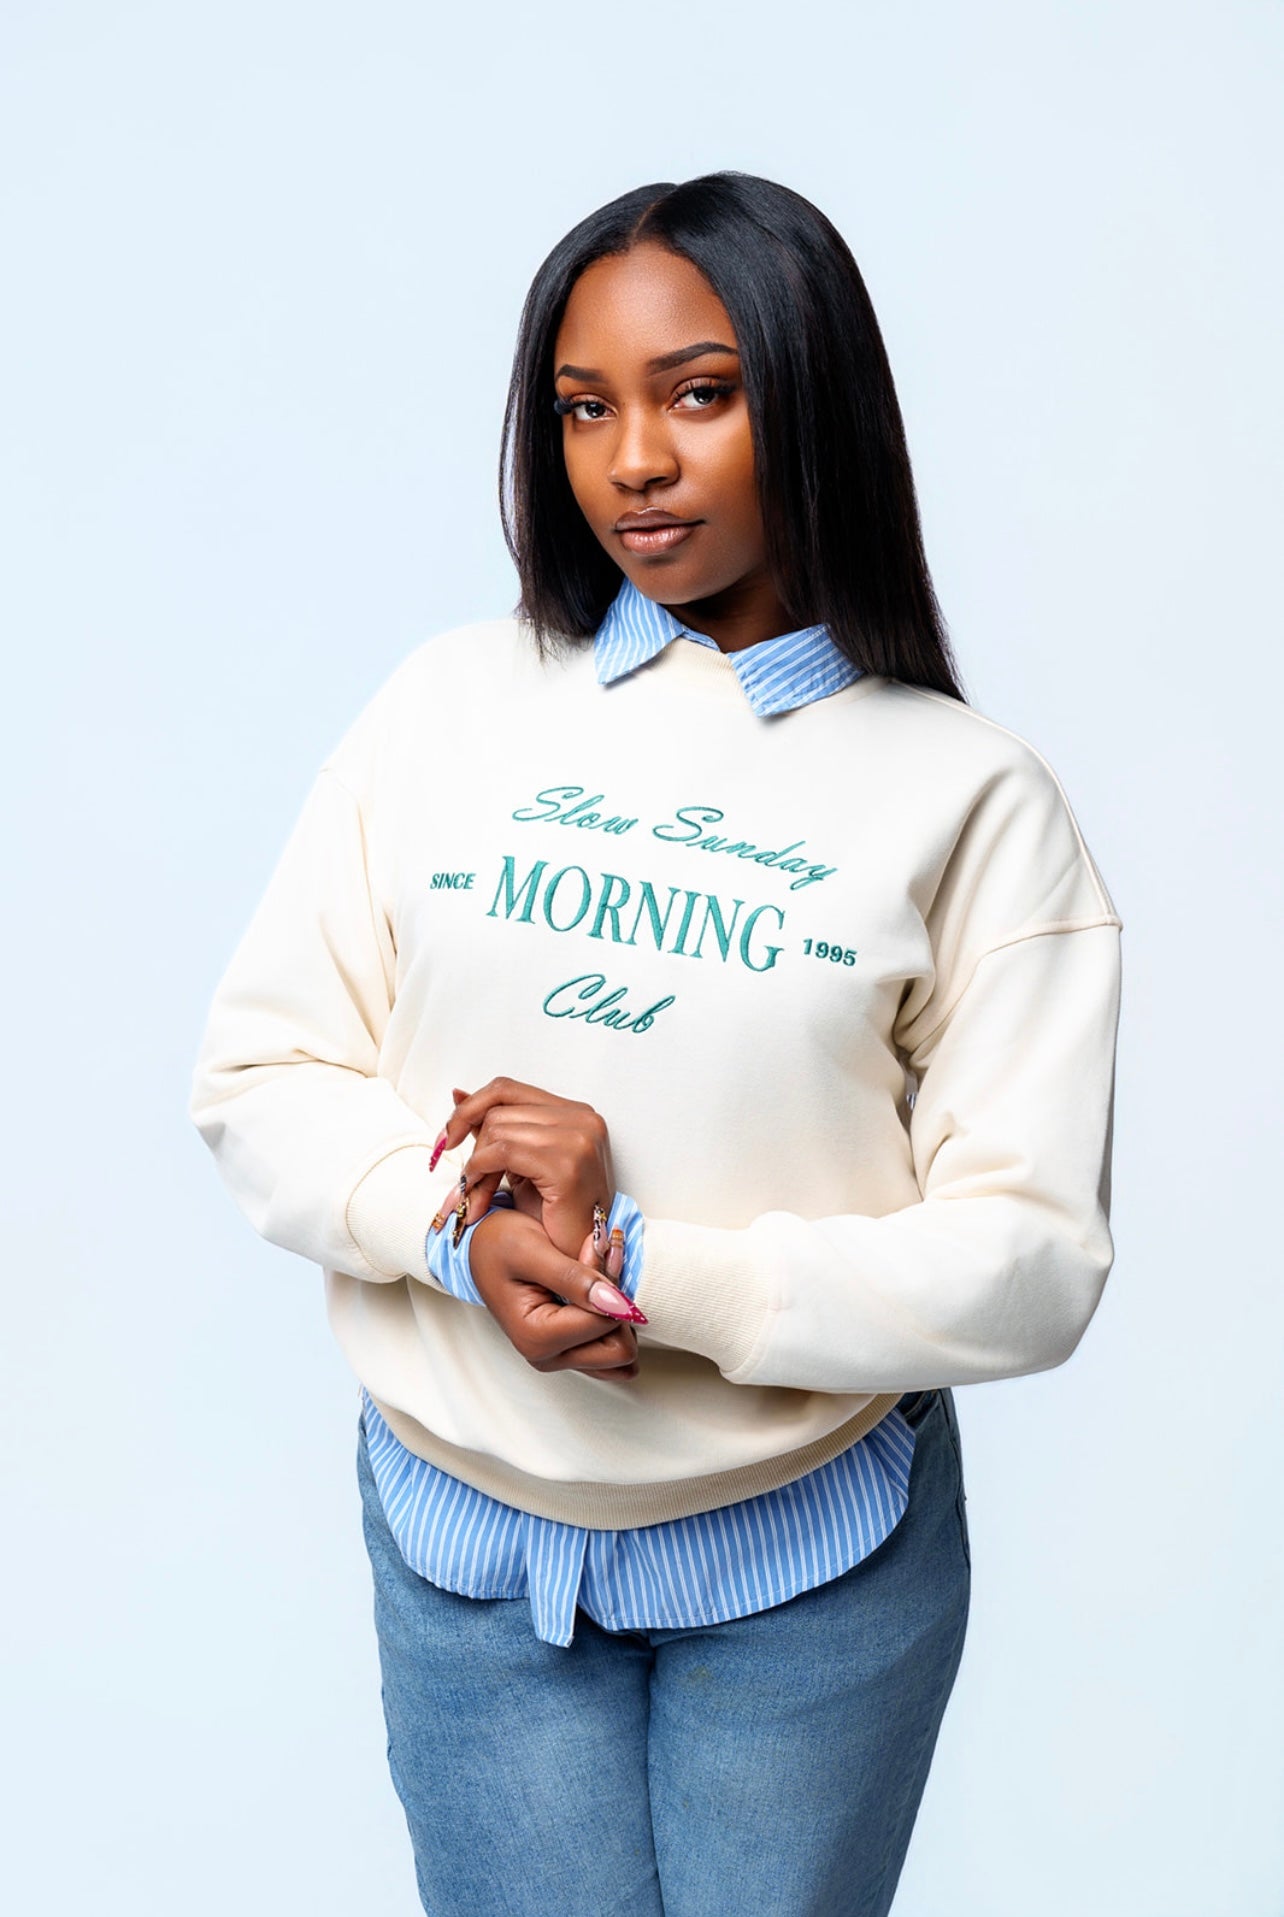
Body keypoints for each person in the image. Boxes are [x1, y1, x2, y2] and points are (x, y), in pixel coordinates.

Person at [191, 172, 1122, 1916]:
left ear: (810, 396)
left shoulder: (967, 796)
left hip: (806, 1574)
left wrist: (642, 1269)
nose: (632, 460)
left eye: (700, 393)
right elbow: (260, 1076)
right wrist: (462, 1236)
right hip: (463, 1551)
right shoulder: (447, 706)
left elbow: (1031, 1263)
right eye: (583, 406)